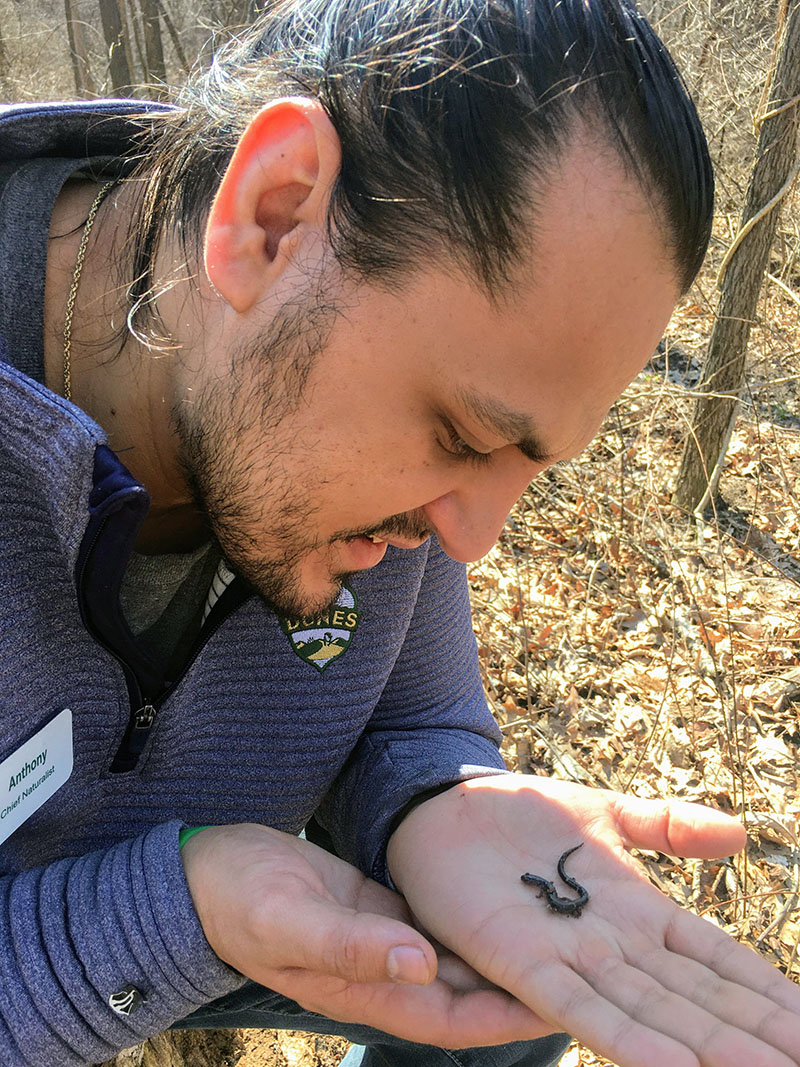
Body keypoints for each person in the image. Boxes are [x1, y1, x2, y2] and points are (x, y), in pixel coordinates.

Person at [0, 0, 799, 1065]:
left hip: (221, 904)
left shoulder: (354, 454)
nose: (471, 539)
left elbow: (411, 705)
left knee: (504, 984)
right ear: (274, 214)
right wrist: (167, 909)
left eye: (531, 460)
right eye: (464, 434)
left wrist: (433, 795)